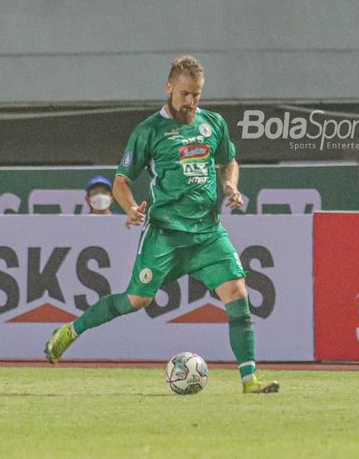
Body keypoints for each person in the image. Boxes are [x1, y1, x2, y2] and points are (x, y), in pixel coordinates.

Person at [45, 56, 279, 394]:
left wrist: (232, 184)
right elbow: (121, 182)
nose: (190, 102)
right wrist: (130, 210)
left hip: (208, 233)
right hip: (165, 235)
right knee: (136, 300)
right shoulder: (149, 131)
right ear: (169, 88)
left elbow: (230, 160)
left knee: (238, 294)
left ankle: (249, 379)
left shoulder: (213, 123)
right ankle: (71, 331)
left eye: (196, 94)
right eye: (184, 93)